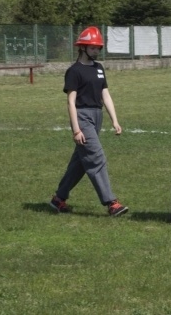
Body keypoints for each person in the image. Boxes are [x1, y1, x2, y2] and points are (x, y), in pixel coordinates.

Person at [49, 26, 128, 217]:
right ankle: (111, 203)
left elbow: (105, 95)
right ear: (83, 47)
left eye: (98, 48)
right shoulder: (74, 71)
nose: (96, 51)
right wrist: (76, 129)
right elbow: (70, 101)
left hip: (97, 116)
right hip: (82, 117)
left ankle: (58, 198)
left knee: (81, 162)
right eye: (93, 47)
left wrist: (114, 120)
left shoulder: (99, 68)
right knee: (96, 157)